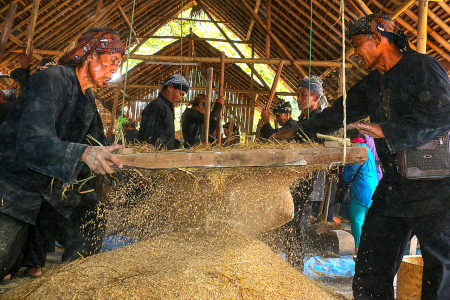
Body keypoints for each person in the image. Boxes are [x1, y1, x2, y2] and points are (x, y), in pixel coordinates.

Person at [272, 14, 450, 299]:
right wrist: (296, 131)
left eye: (357, 45)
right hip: (394, 185)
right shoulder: (373, 83)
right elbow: (337, 113)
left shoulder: (423, 67)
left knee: (440, 268)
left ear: (379, 39)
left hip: (435, 185)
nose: (354, 53)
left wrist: (386, 129)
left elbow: (443, 114)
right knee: (371, 264)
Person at [0, 27, 125, 282]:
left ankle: (75, 284)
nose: (114, 70)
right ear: (90, 55)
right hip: (15, 186)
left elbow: (96, 142)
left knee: (91, 210)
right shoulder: (52, 79)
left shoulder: (87, 98)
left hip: (49, 186)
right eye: (112, 61)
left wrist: (125, 163)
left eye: (118, 65)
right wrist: (84, 153)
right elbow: (33, 141)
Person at [340, 133, 378, 254]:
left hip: (363, 188)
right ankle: (372, 245)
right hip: (374, 184)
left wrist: (341, 169)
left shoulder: (355, 149)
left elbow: (347, 176)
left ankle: (358, 247)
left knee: (356, 217)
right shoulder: (365, 148)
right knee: (372, 218)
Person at [138, 74, 189, 150]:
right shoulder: (157, 106)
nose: (180, 98)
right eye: (180, 94)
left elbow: (167, 139)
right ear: (170, 88)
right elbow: (146, 139)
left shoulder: (167, 107)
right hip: (155, 158)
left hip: (165, 157)